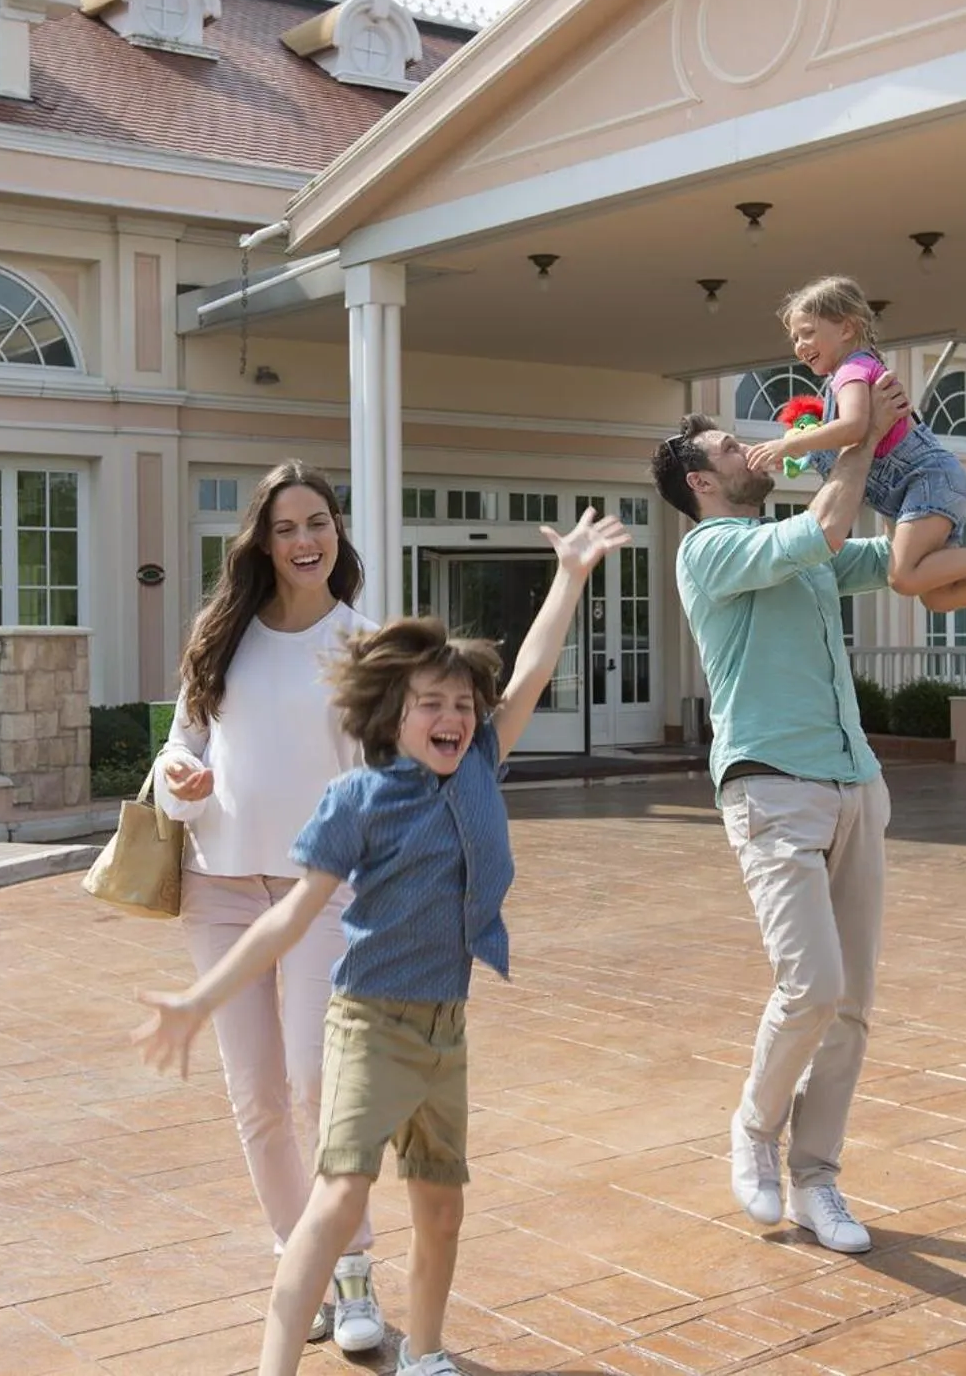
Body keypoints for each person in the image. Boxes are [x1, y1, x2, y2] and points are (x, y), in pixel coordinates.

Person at [134, 507, 632, 1376]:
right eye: (430, 704)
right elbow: (288, 920)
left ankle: (427, 1353)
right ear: (390, 715)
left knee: (442, 1210)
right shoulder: (358, 800)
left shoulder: (476, 761)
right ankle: (286, 1349)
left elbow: (532, 671)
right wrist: (198, 999)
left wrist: (571, 576)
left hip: (446, 1032)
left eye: (461, 705)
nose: (451, 716)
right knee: (333, 1202)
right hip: (369, 1024)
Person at [649, 375, 966, 1258]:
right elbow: (821, 528)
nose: (754, 452)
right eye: (731, 450)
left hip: (855, 783)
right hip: (773, 787)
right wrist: (856, 438)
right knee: (811, 986)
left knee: (852, 1006)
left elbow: (894, 565)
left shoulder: (798, 541)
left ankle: (818, 1175)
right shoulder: (707, 551)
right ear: (701, 482)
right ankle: (754, 1127)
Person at [150, 460, 383, 1353]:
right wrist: (180, 778)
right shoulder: (222, 634)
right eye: (287, 527)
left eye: (317, 522)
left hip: (323, 890)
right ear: (262, 540)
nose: (304, 540)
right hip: (219, 887)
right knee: (255, 1097)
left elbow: (381, 778)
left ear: (336, 531)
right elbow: (182, 742)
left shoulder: (364, 642)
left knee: (319, 1084)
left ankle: (354, 1266)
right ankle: (304, 1265)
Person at [751, 275, 966, 630]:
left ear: (846, 328)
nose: (799, 345)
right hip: (920, 488)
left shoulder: (851, 370)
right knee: (939, 595)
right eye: (795, 338)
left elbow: (854, 427)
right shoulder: (849, 372)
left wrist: (789, 443)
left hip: (926, 481)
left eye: (807, 333)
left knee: (903, 577)